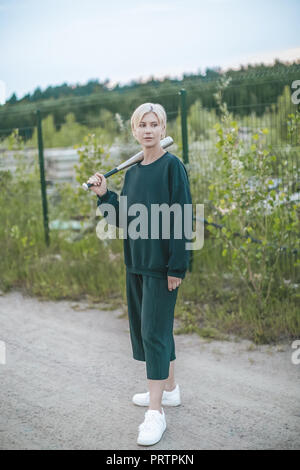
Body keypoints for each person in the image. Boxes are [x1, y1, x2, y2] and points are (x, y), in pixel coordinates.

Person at [87, 102, 192, 446]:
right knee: (153, 331)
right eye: (141, 125)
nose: (148, 130)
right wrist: (105, 196)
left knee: (153, 333)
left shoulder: (172, 167)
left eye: (154, 124)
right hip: (137, 264)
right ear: (134, 131)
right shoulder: (132, 173)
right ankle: (170, 389)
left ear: (163, 129)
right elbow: (121, 220)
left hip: (163, 268)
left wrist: (177, 266)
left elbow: (181, 216)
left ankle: (156, 413)